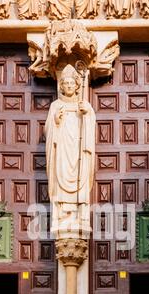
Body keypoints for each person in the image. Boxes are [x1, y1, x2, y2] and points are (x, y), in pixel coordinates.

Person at [45, 63, 95, 234]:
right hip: (62, 152)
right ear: (61, 86)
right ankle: (63, 214)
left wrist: (86, 114)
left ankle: (80, 214)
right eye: (65, 83)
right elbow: (49, 130)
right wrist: (56, 122)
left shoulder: (84, 105)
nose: (68, 86)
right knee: (61, 176)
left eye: (71, 83)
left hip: (79, 151)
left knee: (80, 176)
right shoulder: (55, 106)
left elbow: (91, 129)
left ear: (76, 85)